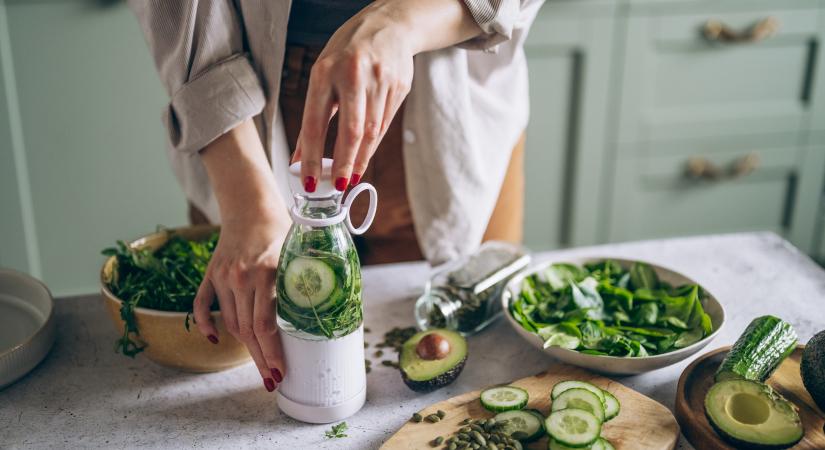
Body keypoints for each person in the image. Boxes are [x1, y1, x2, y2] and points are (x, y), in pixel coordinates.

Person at [130, 0, 542, 393]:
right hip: (251, 114)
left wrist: (404, 18)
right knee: (247, 341)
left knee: (481, 341)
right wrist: (247, 205)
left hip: (453, 101)